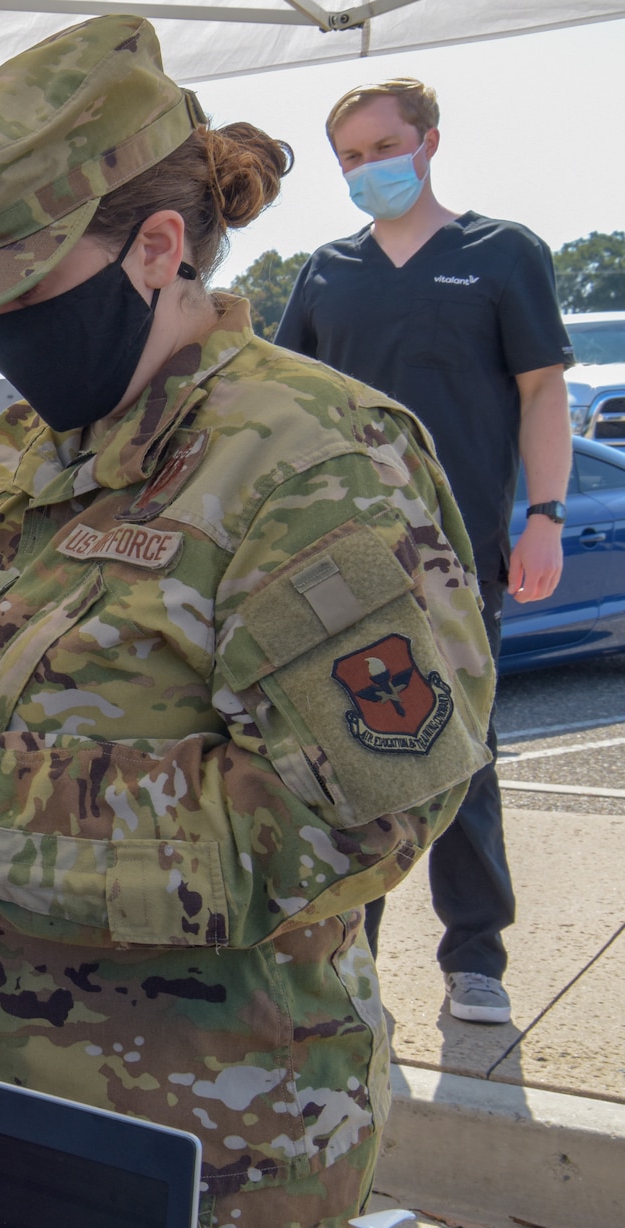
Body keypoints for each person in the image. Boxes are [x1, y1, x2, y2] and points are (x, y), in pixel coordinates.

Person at [0, 18, 492, 1228]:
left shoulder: (313, 462)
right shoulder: (25, 446)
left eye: (23, 294)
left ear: (158, 249)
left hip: (217, 1154)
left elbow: (350, 820)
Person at [276, 79, 575, 1027]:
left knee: (462, 752)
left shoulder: (503, 255)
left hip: (458, 559)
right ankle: (346, 956)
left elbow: (541, 394)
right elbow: (285, 413)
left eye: (382, 147)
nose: (369, 168)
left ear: (430, 142)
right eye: (351, 158)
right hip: (342, 561)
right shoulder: (327, 272)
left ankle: (475, 955)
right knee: (345, 749)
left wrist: (546, 517)